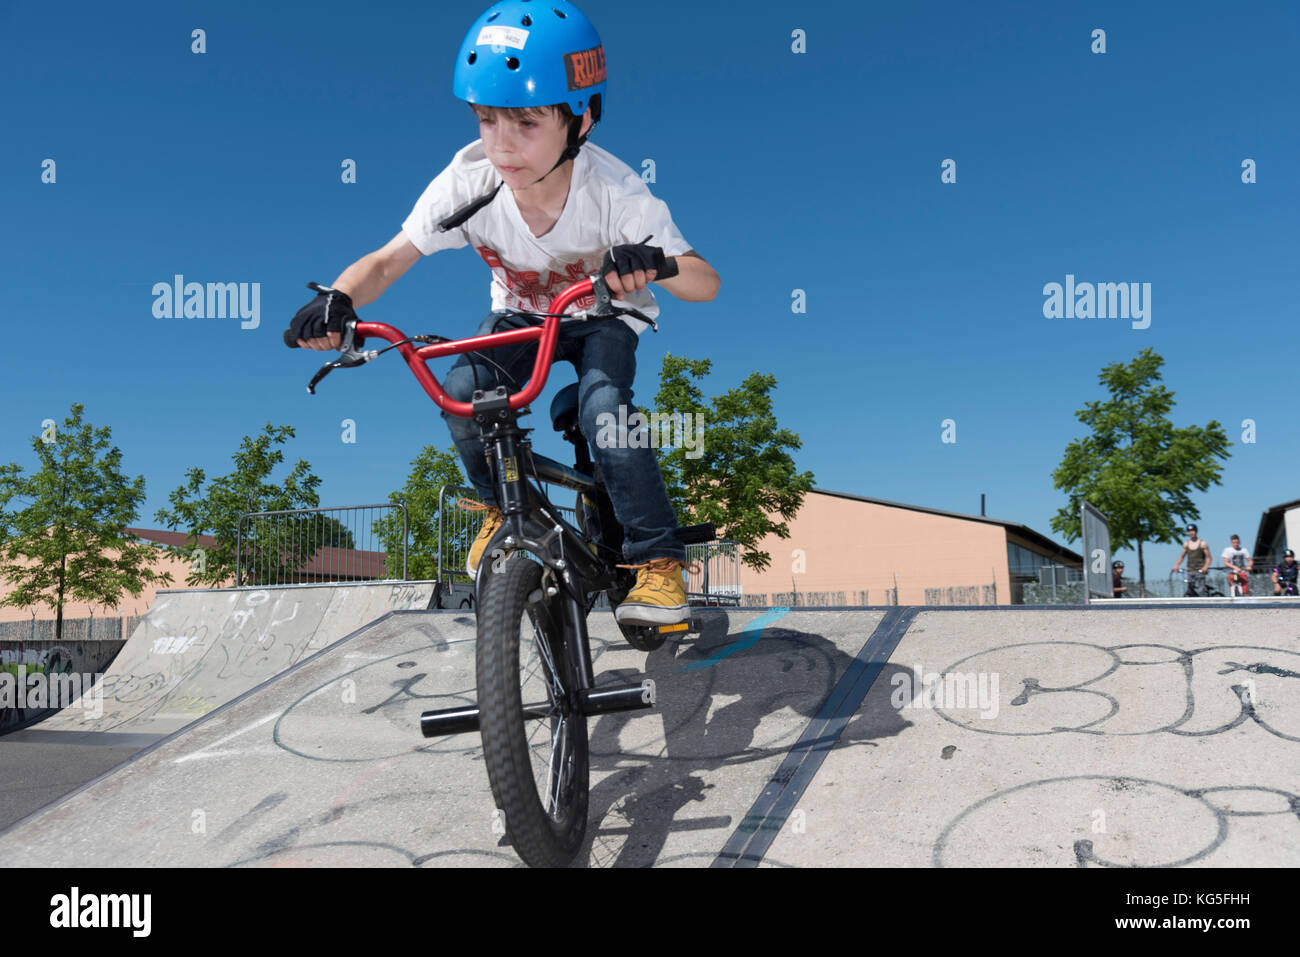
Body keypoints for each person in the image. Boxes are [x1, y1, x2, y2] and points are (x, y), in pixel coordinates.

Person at [284, 1, 720, 627]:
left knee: (605, 411)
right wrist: (339, 297)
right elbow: (387, 259)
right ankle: (498, 508)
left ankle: (658, 563)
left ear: (581, 119)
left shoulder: (618, 193)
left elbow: (707, 281)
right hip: (521, 317)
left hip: (603, 318)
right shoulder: (469, 181)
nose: (503, 144)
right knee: (462, 388)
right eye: (488, 120)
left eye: (526, 122)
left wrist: (656, 263)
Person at [1172, 523, 1211, 597]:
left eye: (1193, 531)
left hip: (1200, 570)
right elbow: (1182, 557)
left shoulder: (1202, 544)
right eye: (1189, 531)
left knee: (1201, 589)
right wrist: (1176, 565)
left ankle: (1204, 605)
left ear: (1196, 531)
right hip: (1190, 570)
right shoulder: (1186, 544)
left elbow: (1209, 558)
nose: (1191, 533)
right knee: (1190, 590)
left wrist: (1205, 567)